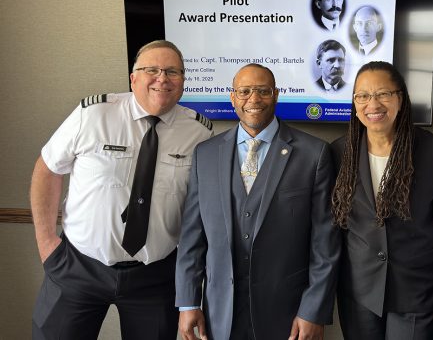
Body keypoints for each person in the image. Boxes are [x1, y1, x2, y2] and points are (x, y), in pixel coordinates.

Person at [30, 40, 213, 340]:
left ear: (183, 79)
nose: (162, 78)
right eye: (151, 69)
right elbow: (48, 168)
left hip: (155, 275)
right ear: (133, 78)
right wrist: (46, 242)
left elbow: (199, 210)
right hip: (78, 266)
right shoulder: (93, 114)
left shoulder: (199, 132)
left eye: (172, 71)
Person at [175, 63, 340, 340]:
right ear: (232, 97)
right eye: (245, 91)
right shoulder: (205, 154)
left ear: (276, 94)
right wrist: (189, 301)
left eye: (263, 91)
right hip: (220, 311)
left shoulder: (314, 154)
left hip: (287, 314)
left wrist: (313, 310)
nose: (254, 99)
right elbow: (192, 236)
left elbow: (325, 243)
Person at [331, 61, 433, 339]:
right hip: (359, 293)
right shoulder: (339, 153)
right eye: (362, 96)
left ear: (400, 98)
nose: (373, 104)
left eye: (383, 94)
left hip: (418, 292)